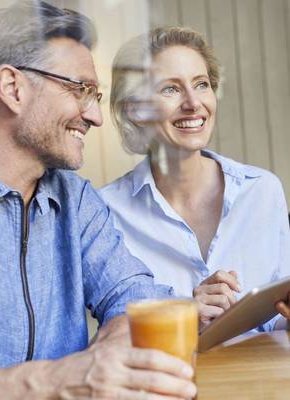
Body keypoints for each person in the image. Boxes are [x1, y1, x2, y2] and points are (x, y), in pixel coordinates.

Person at [0, 3, 197, 399]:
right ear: (13, 88)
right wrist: (56, 381)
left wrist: (110, 355)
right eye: (80, 89)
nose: (95, 117)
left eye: (95, 95)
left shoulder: (75, 198)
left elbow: (133, 297)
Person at [100, 26, 290, 331]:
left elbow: (282, 323)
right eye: (170, 89)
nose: (192, 103)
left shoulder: (263, 191)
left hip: (262, 378)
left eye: (201, 84)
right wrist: (183, 313)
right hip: (163, 379)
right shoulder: (105, 212)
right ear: (135, 109)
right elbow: (108, 336)